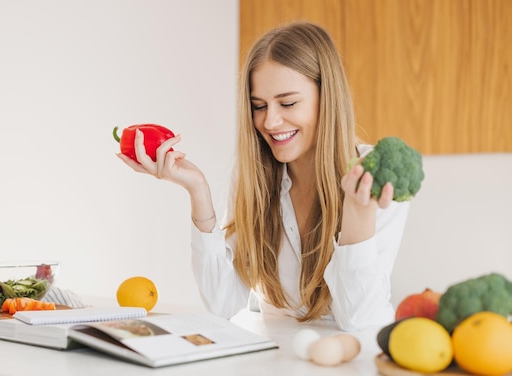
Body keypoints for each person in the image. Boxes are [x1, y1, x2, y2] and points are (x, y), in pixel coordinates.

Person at [117, 21, 409, 331]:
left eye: (288, 103)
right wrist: (197, 190)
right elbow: (223, 303)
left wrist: (357, 213)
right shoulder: (255, 173)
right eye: (259, 106)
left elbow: (358, 319)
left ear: (328, 97)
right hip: (278, 359)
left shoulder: (374, 174)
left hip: (355, 361)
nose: (270, 121)